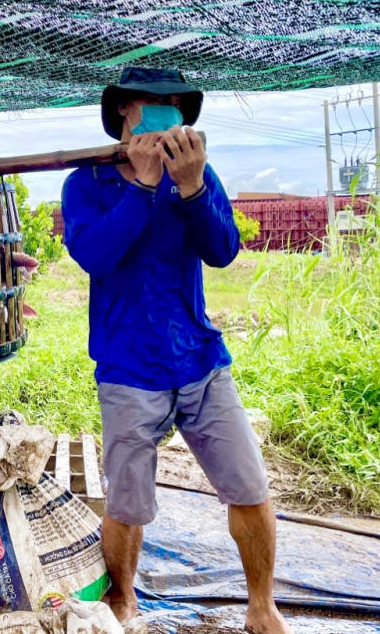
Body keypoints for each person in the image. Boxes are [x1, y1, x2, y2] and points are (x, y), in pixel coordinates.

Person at [61, 68, 292, 634]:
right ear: (123, 111)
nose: (167, 112)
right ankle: (122, 602)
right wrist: (141, 187)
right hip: (127, 365)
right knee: (127, 502)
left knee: (248, 486)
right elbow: (96, 255)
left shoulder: (195, 172)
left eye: (175, 104)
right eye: (153, 102)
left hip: (199, 358)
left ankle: (263, 607)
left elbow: (222, 250)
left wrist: (190, 189)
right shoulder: (86, 181)